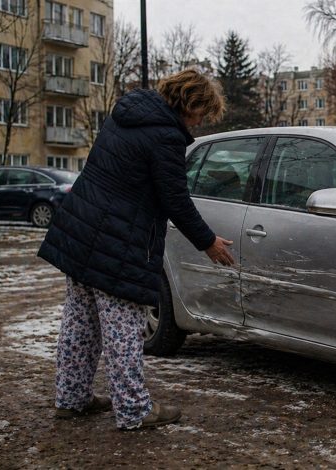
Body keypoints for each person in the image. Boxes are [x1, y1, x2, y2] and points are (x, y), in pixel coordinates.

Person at [38, 69, 235, 430]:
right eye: (202, 113)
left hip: (81, 232)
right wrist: (208, 242)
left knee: (79, 323)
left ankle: (71, 398)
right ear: (190, 104)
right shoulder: (166, 136)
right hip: (118, 243)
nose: (201, 122)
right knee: (123, 329)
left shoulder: (125, 115)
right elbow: (175, 199)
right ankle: (133, 410)